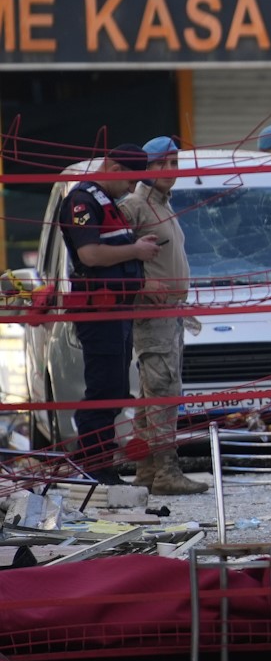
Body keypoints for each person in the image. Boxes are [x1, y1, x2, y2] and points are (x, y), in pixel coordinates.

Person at [57, 146, 160, 481]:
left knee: (115, 388)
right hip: (98, 312)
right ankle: (95, 467)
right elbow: (89, 255)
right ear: (113, 167)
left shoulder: (103, 200)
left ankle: (102, 464)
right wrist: (137, 250)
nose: (132, 189)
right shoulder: (82, 201)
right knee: (102, 388)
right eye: (130, 180)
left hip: (115, 311)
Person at [121, 137, 205, 496]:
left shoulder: (163, 206)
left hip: (170, 311)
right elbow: (120, 258)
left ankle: (148, 470)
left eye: (175, 162)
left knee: (151, 392)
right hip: (152, 312)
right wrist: (143, 287)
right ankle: (166, 472)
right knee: (162, 390)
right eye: (163, 164)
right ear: (146, 168)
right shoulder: (134, 207)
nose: (171, 171)